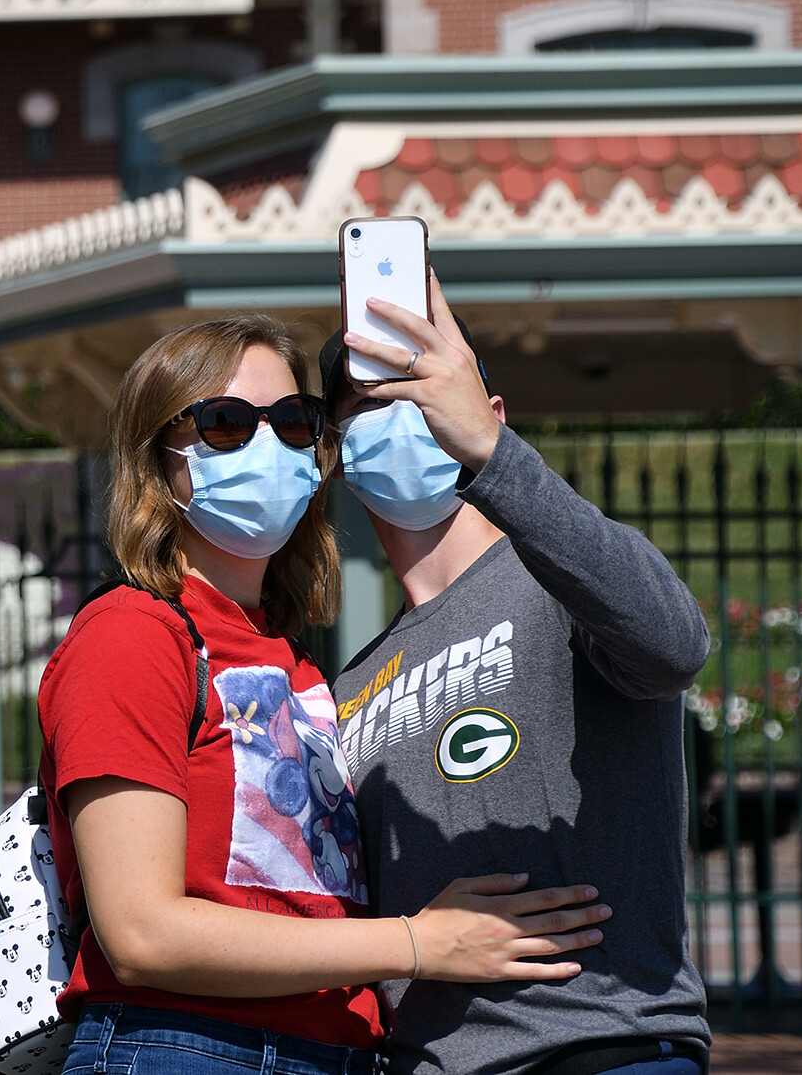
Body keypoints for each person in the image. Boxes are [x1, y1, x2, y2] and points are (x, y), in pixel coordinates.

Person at [41, 313, 610, 1075]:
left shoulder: (297, 664)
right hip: (185, 1047)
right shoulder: (133, 633)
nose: (266, 446)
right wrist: (419, 943)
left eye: (294, 422)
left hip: (329, 1053)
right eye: (224, 424)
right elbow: (142, 933)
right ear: (159, 460)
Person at [326, 274, 711, 1075]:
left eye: (423, 387)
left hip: (599, 1045)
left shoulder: (565, 578)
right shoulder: (347, 684)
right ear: (338, 455)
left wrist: (493, 459)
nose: (400, 415)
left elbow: (674, 645)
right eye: (369, 403)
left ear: (485, 411)